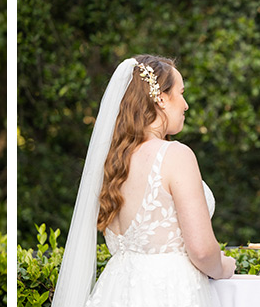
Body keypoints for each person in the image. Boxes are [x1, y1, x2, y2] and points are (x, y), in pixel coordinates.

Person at [53, 56, 234, 307]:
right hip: (169, 292)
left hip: (114, 291)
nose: (186, 105)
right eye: (181, 93)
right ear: (161, 99)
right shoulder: (176, 155)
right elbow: (202, 250)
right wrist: (224, 267)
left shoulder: (112, 162)